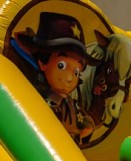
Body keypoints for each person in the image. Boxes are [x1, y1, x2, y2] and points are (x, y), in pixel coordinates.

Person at [15, 12, 96, 143]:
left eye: (76, 72)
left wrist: (78, 133)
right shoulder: (39, 100)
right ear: (43, 63)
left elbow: (87, 125)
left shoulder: (71, 104)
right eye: (61, 65)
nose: (70, 78)